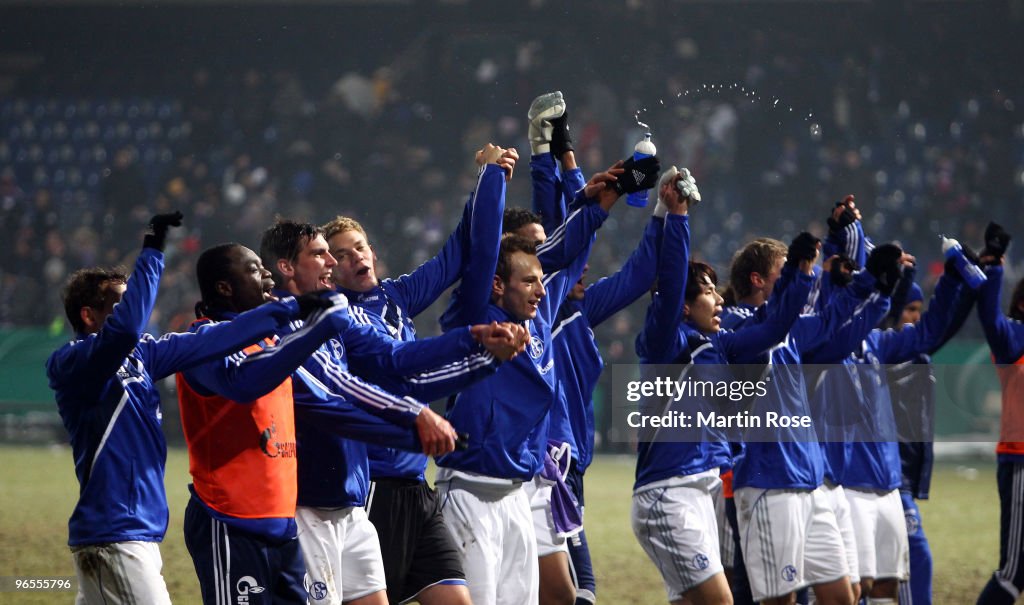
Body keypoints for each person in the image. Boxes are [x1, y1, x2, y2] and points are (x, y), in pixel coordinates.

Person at [48, 213, 317, 605]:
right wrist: (153, 249)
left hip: (132, 531)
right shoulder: (72, 364)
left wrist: (290, 311)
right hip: (116, 531)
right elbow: (124, 330)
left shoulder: (143, 357)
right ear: (89, 316)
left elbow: (214, 339)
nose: (136, 315)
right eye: (121, 305)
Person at [176, 242, 463, 605]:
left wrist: (411, 435)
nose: (265, 274)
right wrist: (312, 327)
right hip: (231, 521)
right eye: (252, 269)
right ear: (224, 287)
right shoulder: (203, 343)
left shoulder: (270, 341)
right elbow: (246, 382)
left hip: (280, 524)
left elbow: (331, 405)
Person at [259, 218, 526, 605]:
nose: (333, 262)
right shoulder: (281, 328)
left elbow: (395, 358)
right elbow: (340, 396)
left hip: (351, 503)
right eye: (322, 254)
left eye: (355, 249)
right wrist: (413, 424)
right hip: (312, 504)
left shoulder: (332, 314)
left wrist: (474, 342)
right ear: (287, 267)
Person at [435, 157, 660, 605]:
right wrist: (495, 176)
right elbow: (501, 249)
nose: (542, 288)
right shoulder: (478, 314)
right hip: (470, 491)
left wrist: (603, 200)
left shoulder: (544, 313)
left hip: (522, 492)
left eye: (543, 281)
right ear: (498, 285)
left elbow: (571, 254)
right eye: (530, 280)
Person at [323, 143, 516, 605]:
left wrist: (489, 180)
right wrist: (473, 339)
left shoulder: (395, 297)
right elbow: (397, 362)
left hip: (417, 486)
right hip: (375, 488)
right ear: (330, 271)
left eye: (361, 246)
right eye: (343, 255)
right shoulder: (336, 320)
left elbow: (457, 253)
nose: (356, 257)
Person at [632, 169, 818, 605]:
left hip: (702, 492)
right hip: (669, 493)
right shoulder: (665, 344)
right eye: (709, 293)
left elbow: (775, 326)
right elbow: (673, 279)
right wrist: (677, 217)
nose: (720, 300)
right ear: (681, 307)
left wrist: (799, 275)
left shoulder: (720, 345)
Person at [523, 90, 664, 605]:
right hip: (542, 461)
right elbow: (565, 235)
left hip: (569, 460)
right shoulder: (540, 303)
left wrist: (666, 218)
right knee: (574, 592)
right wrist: (552, 156)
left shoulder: (580, 305)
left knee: (574, 592)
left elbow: (638, 273)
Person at [719, 231, 901, 605]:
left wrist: (873, 283)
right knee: (779, 601)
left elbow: (830, 319)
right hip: (769, 480)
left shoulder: (786, 329)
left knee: (842, 596)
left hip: (808, 480)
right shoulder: (737, 325)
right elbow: (780, 318)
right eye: (783, 270)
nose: (795, 276)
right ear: (757, 279)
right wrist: (802, 277)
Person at [972, 223, 1024, 605]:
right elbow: (990, 320)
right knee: (1014, 570)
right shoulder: (1015, 338)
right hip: (1021, 460)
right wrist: (993, 268)